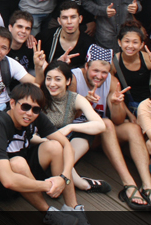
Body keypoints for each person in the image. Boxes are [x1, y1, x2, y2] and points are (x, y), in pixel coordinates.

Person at [0, 83, 98, 225]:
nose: (29, 113)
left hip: (21, 171)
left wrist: (64, 177)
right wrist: (49, 185)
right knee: (18, 163)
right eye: (25, 107)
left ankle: (72, 207)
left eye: (35, 109)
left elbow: (66, 145)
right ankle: (48, 212)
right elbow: (8, 180)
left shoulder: (34, 116)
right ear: (12, 103)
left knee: (55, 146)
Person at [70, 45, 151, 210]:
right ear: (86, 66)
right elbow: (65, 117)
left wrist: (115, 105)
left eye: (104, 72)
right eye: (95, 71)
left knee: (132, 129)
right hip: (77, 134)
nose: (99, 76)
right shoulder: (74, 78)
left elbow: (118, 120)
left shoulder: (112, 82)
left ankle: (148, 186)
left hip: (103, 135)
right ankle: (129, 184)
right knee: (105, 123)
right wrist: (84, 103)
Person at [41, 61, 108, 191]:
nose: (52, 84)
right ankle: (82, 184)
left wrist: (70, 127)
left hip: (65, 144)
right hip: (43, 145)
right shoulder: (39, 96)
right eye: (48, 79)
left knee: (86, 130)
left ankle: (64, 172)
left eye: (58, 79)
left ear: (68, 81)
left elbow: (100, 125)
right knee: (57, 147)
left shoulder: (74, 98)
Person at [114, 21, 151, 114]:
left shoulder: (147, 59)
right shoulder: (114, 62)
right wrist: (130, 116)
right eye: (127, 41)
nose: (130, 46)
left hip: (147, 106)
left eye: (135, 42)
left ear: (141, 44)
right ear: (119, 42)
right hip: (122, 107)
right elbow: (113, 92)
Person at [38, 1, 94, 70]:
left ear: (80, 19)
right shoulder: (46, 37)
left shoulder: (89, 44)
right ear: (59, 21)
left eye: (73, 17)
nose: (69, 22)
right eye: (65, 18)